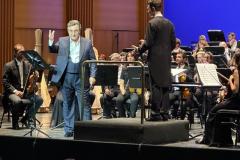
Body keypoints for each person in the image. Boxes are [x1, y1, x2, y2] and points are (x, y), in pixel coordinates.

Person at [48, 20, 97, 137]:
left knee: (84, 104)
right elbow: (52, 49)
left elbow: (93, 61)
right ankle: (69, 129)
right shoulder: (63, 41)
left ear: (79, 30)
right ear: (68, 31)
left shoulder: (87, 43)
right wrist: (50, 41)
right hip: (67, 77)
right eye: (70, 31)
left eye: (75, 31)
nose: (73, 34)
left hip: (82, 77)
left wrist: (93, 76)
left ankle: (87, 130)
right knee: (68, 104)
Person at [133, 0, 176, 121]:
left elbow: (148, 43)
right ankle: (165, 113)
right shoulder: (170, 23)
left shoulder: (152, 23)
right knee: (165, 85)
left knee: (156, 84)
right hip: (166, 58)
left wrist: (139, 50)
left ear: (152, 8)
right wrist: (165, 51)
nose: (147, 10)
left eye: (148, 7)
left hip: (155, 58)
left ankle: (155, 113)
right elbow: (173, 43)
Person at [196, 52, 240, 146]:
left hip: (236, 101)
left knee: (213, 111)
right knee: (219, 110)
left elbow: (235, 90)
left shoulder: (237, 71)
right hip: (237, 101)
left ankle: (210, 139)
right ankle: (224, 140)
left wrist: (230, 80)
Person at [2, 43, 43, 129]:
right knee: (17, 101)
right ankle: (15, 123)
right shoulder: (8, 65)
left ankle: (25, 118)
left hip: (25, 92)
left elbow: (34, 74)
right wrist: (15, 91)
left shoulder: (28, 65)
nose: (23, 54)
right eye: (21, 52)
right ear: (15, 53)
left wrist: (36, 73)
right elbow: (5, 82)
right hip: (11, 93)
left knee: (39, 100)